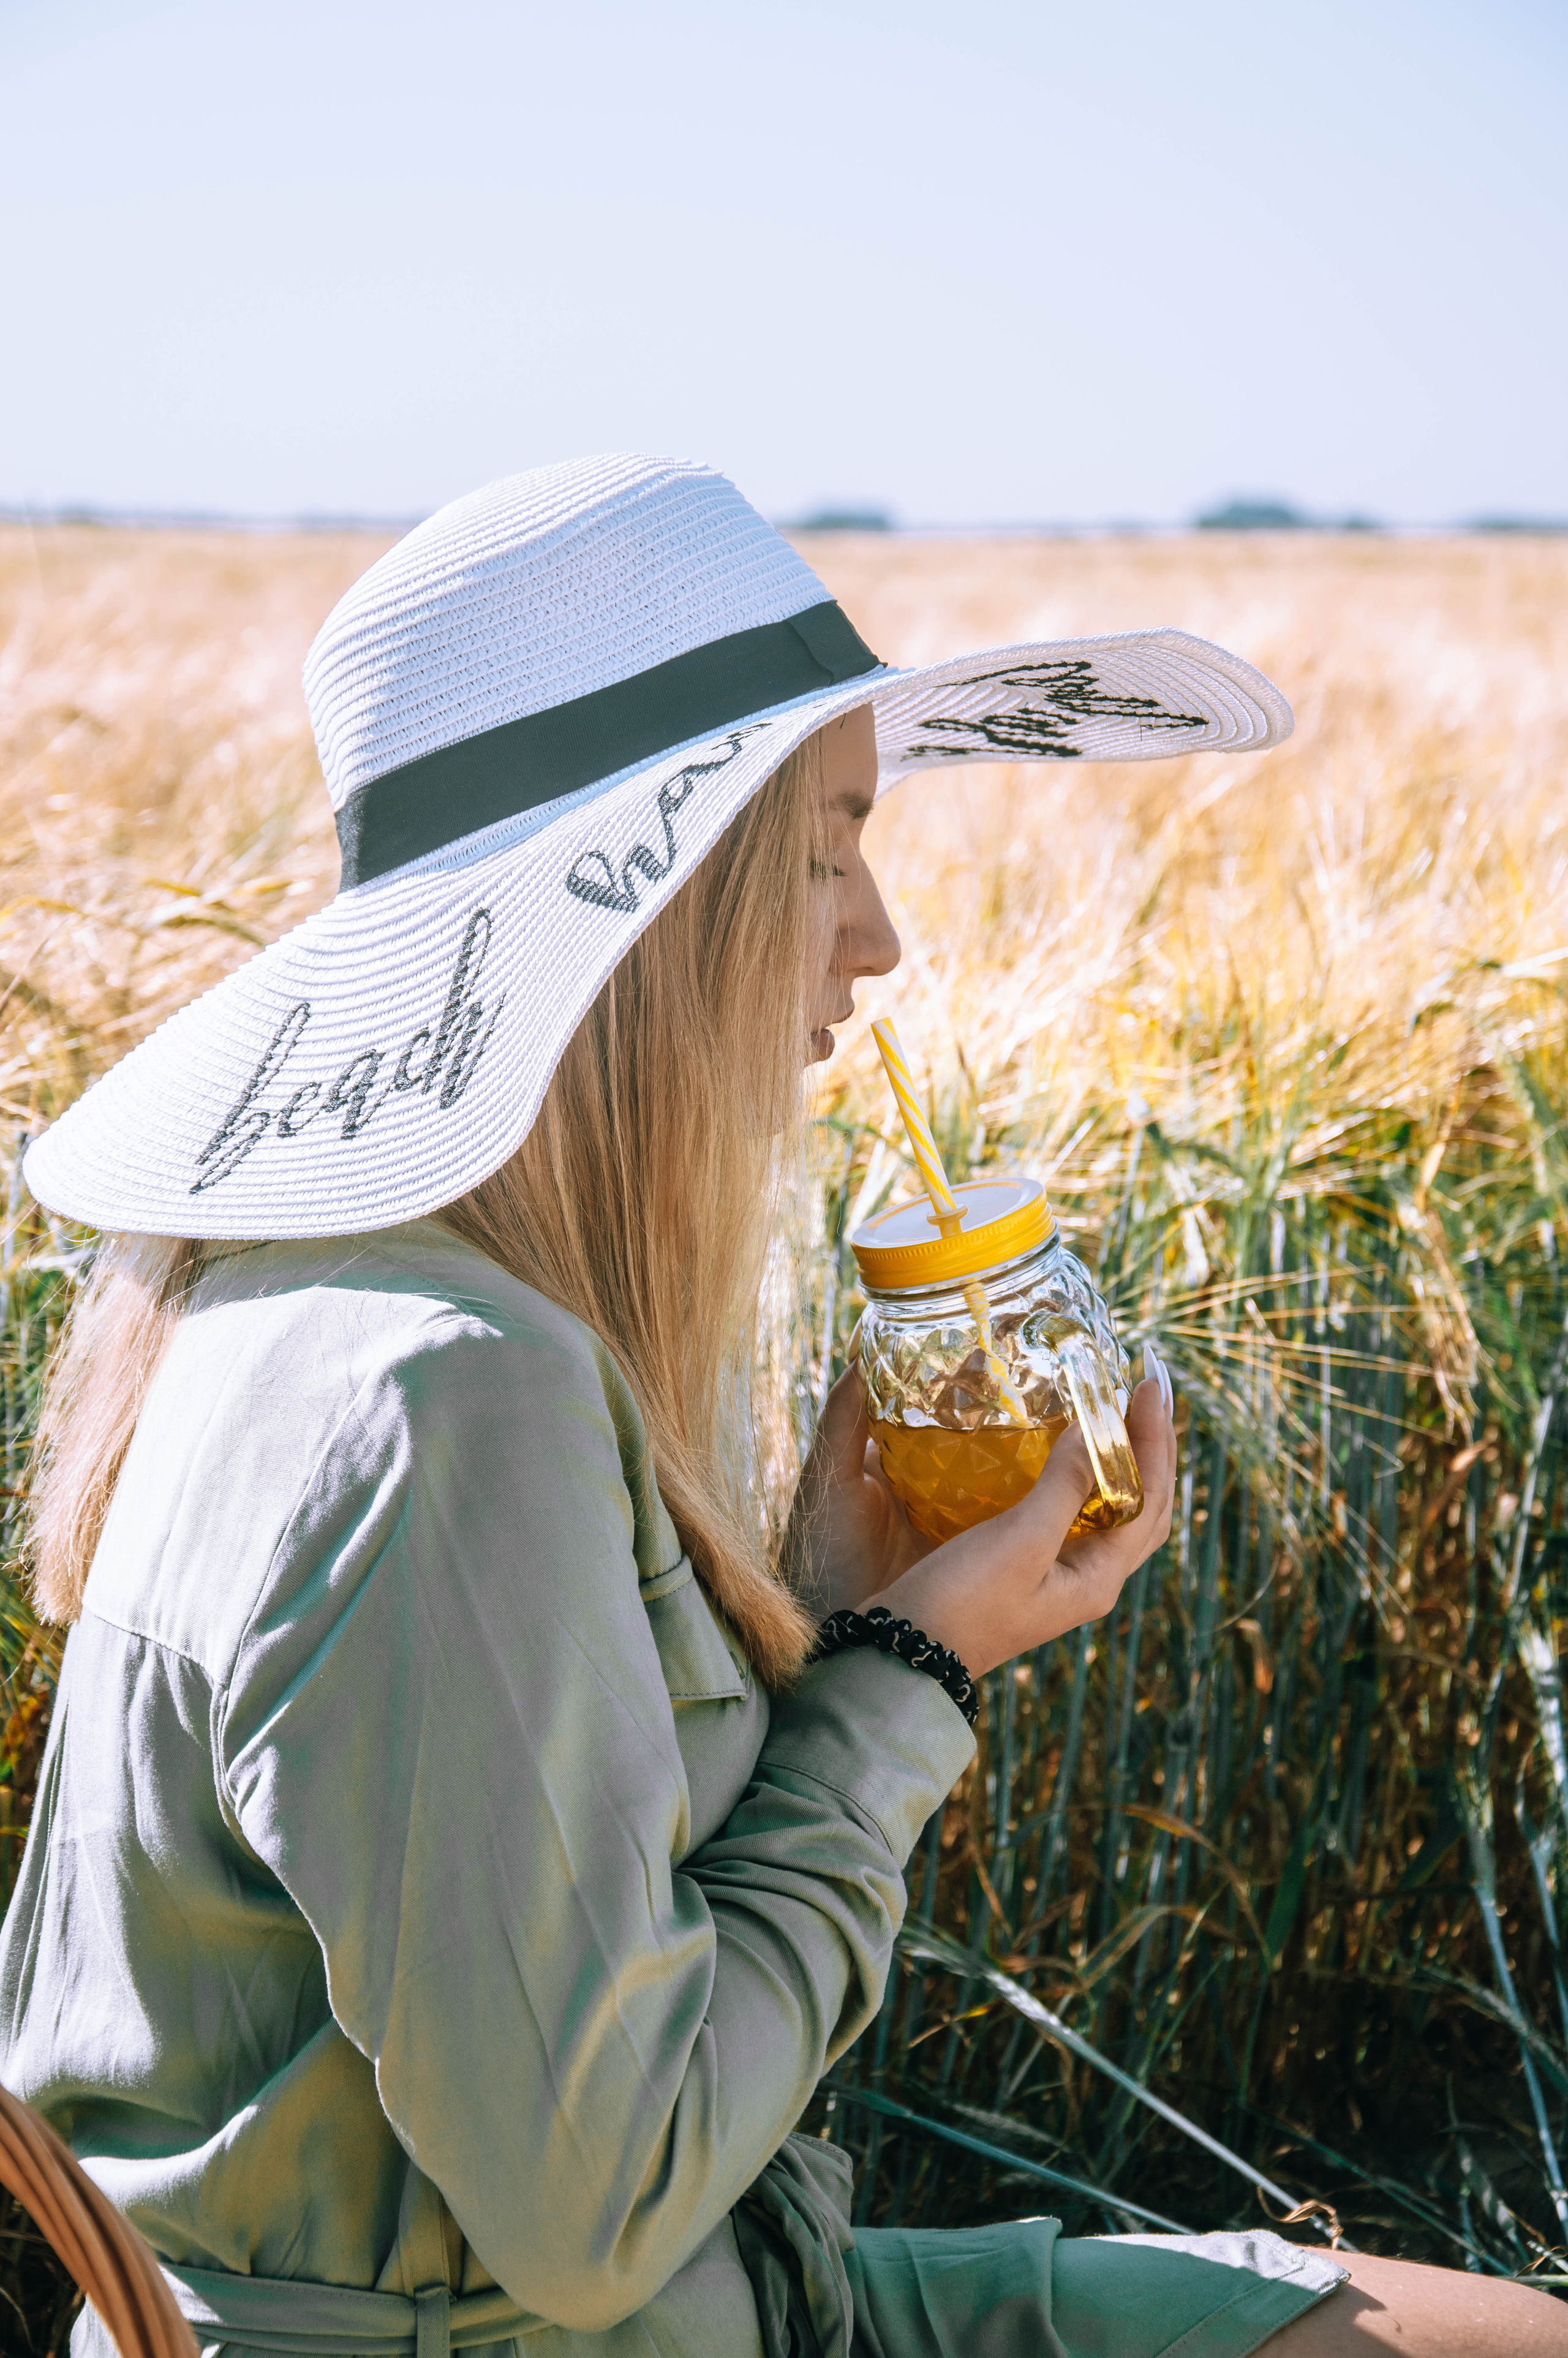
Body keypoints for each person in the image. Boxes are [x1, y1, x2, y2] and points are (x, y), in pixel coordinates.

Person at [1, 456, 1559, 2358]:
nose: (879, 932)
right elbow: (602, 2202)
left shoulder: (325, 1301)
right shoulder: (445, 1396)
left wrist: (818, 1606)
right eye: (823, 847)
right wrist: (907, 1675)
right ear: (649, 912)